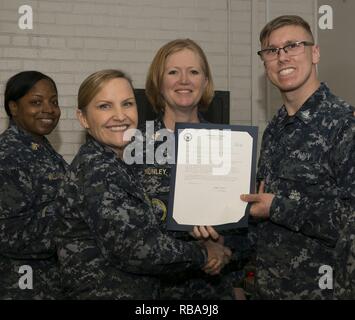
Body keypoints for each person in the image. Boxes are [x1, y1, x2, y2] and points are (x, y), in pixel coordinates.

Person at [55, 69, 231, 299]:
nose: (120, 116)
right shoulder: (96, 170)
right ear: (83, 118)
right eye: (105, 106)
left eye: (127, 104)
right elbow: (137, 249)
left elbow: (142, 229)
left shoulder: (119, 163)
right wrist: (204, 254)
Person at [240, 15, 355, 299]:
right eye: (271, 50)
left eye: (292, 46)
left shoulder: (345, 124)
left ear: (315, 53)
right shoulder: (273, 131)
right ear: (264, 62)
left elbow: (350, 219)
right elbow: (261, 210)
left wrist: (277, 207)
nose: (282, 57)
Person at [137, 39, 250, 300]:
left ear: (206, 82)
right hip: (154, 293)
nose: (184, 80)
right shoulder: (135, 146)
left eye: (194, 72)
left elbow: (247, 229)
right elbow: (127, 231)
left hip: (212, 291)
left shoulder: (231, 145)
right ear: (158, 82)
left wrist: (224, 249)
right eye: (173, 72)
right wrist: (199, 249)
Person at [0, 71, 68, 299]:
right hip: (22, 283)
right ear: (14, 107)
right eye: (36, 102)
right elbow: (10, 235)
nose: (49, 109)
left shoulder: (43, 149)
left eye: (54, 101)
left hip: (51, 282)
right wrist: (76, 217)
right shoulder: (7, 156)